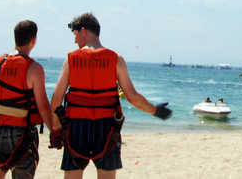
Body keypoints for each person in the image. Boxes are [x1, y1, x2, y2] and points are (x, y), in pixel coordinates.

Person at [50, 12, 172, 178]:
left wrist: (56, 130)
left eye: (75, 34)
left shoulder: (71, 59)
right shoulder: (116, 60)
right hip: (107, 129)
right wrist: (155, 111)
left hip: (76, 128)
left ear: (84, 31)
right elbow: (133, 97)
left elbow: (57, 98)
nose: (74, 40)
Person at [0, 20, 56, 179]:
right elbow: (42, 106)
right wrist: (54, 131)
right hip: (21, 133)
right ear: (33, 40)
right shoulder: (34, 68)